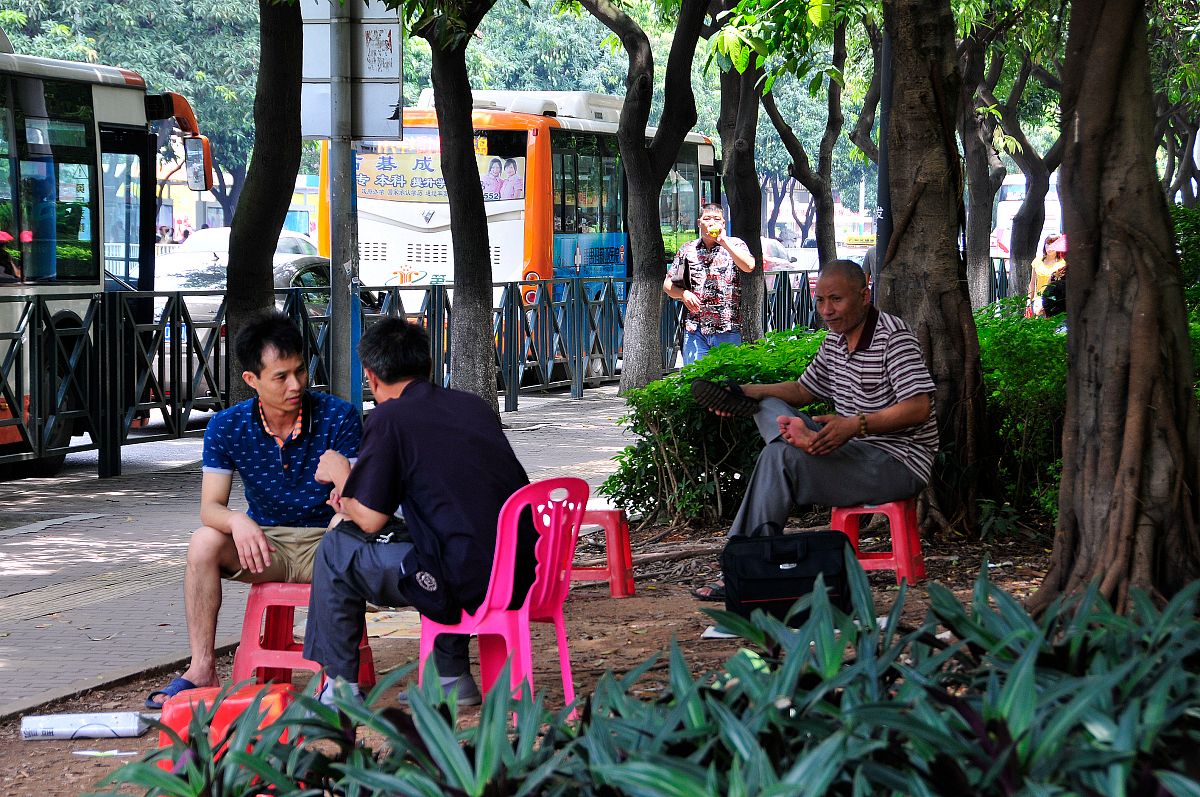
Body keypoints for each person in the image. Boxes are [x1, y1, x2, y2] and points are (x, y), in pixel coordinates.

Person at [302, 317, 536, 707]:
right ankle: (450, 679)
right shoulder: (471, 405)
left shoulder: (388, 417)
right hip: (525, 571)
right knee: (435, 538)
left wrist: (342, 476)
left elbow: (371, 519)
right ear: (429, 367)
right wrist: (355, 495)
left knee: (336, 548)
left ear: (371, 378)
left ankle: (340, 687)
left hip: (467, 581)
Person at [144, 311, 363, 709]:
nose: (295, 385)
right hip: (266, 547)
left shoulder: (339, 416)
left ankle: (337, 676)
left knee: (344, 525)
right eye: (281, 377)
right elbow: (210, 507)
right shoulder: (227, 426)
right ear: (252, 380)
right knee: (203, 542)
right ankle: (202, 668)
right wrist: (236, 520)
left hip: (329, 545)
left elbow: (360, 503)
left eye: (299, 370)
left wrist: (343, 489)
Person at [688, 260, 938, 600]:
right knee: (768, 409)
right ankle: (795, 442)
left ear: (865, 295)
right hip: (849, 453)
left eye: (835, 299)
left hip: (896, 462)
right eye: (820, 300)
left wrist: (855, 425)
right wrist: (747, 392)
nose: (826, 310)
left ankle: (741, 566)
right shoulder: (834, 342)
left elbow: (918, 408)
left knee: (778, 457)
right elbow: (804, 390)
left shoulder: (894, 337)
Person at [663, 203, 756, 364]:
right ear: (699, 223)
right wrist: (684, 294)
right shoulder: (688, 249)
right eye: (707, 219)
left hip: (727, 328)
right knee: (695, 381)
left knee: (726, 383)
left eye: (716, 219)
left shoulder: (735, 245)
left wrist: (724, 242)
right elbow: (667, 285)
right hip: (695, 329)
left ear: (723, 223)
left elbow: (749, 266)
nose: (712, 223)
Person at [1028, 233, 1065, 317]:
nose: (1050, 246)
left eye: (1053, 244)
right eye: (1048, 243)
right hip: (1037, 301)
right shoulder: (1037, 262)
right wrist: (1029, 301)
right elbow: (1032, 283)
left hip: (1053, 301)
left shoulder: (1062, 264)